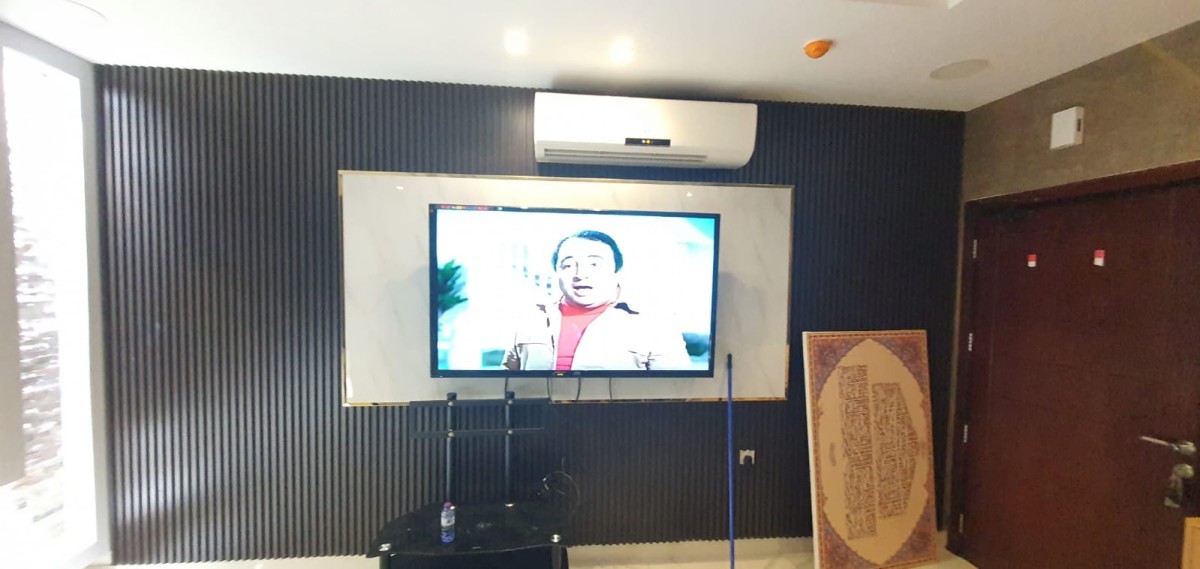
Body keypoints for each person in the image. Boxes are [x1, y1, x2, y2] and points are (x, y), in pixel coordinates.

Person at [503, 230, 693, 372]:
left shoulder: (655, 324)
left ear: (616, 272)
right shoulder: (531, 319)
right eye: (568, 265)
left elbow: (676, 389)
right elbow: (507, 383)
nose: (580, 274)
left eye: (594, 264)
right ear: (556, 273)